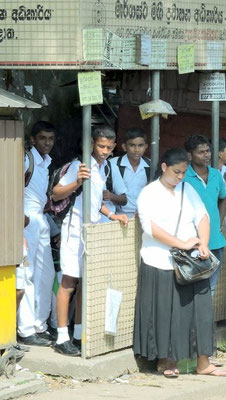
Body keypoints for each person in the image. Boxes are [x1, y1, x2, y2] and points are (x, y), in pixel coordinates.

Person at [134, 148, 226, 378]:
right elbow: (151, 228)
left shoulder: (188, 189)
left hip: (191, 263)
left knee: (200, 312)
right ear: (164, 167)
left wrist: (203, 243)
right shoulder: (149, 192)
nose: (179, 177)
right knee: (165, 314)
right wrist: (181, 243)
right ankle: (166, 361)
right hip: (159, 260)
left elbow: (202, 217)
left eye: (183, 173)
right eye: (176, 172)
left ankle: (203, 362)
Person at [52, 126, 129, 356]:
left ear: (114, 147)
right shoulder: (80, 166)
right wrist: (77, 182)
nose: (104, 151)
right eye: (100, 146)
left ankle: (79, 334)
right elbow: (56, 193)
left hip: (92, 231)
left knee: (85, 283)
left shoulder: (103, 168)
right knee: (69, 282)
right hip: (74, 230)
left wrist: (111, 214)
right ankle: (61, 336)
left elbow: (94, 200)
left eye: (108, 147)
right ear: (92, 144)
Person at [17, 121, 57, 347]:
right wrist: (18, 216)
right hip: (27, 220)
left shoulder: (46, 162)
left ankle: (39, 326)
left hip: (40, 219)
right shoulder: (26, 159)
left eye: (50, 139)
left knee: (46, 276)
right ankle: (26, 328)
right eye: (42, 138)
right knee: (28, 274)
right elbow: (12, 186)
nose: (47, 143)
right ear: (33, 140)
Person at [184, 135, 226, 296]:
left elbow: (224, 198)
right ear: (190, 155)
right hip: (192, 242)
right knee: (190, 286)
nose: (206, 155)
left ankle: (204, 321)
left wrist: (219, 222)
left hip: (215, 241)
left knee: (211, 288)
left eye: (208, 151)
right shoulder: (183, 177)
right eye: (201, 152)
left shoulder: (216, 175)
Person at [109, 128, 150, 218]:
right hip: (118, 215)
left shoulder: (150, 166)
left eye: (140, 145)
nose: (137, 149)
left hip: (142, 215)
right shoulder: (114, 164)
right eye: (132, 145)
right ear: (124, 147)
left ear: (146, 147)